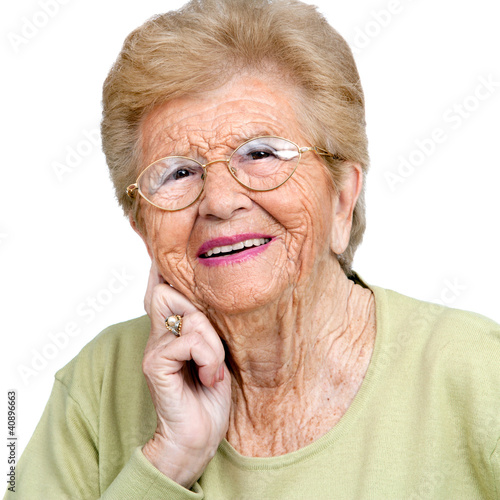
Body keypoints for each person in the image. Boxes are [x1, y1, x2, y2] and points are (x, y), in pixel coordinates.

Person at [7, 0, 499, 498]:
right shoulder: (98, 385)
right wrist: (168, 460)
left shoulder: (478, 374)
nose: (219, 201)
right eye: (179, 173)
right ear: (142, 227)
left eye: (261, 153)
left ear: (342, 199)